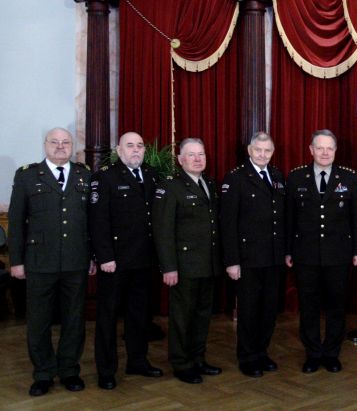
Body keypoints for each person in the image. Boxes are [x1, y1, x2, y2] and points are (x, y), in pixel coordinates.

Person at [7, 127, 95, 396]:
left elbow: (93, 221)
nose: (60, 146)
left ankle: (69, 370)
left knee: (74, 319)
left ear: (72, 146)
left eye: (65, 142)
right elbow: (16, 221)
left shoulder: (84, 174)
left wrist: (93, 256)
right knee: (39, 321)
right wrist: (16, 261)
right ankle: (43, 373)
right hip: (39, 261)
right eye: (54, 142)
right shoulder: (27, 175)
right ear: (45, 145)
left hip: (76, 260)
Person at [285, 129, 357, 373]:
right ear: (311, 150)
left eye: (329, 148)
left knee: (336, 306)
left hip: (338, 254)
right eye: (319, 148)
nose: (324, 152)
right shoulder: (296, 177)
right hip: (306, 254)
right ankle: (312, 353)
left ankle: (331, 353)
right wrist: (288, 250)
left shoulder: (349, 177)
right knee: (308, 306)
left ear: (335, 151)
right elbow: (289, 218)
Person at [89, 132, 163, 390]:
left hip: (144, 259)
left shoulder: (152, 175)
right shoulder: (105, 177)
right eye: (129, 146)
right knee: (108, 317)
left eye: (140, 146)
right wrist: (105, 256)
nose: (136, 150)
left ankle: (138, 361)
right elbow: (98, 220)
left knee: (139, 315)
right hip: (116, 261)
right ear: (119, 151)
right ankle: (106, 370)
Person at [152, 138, 222, 384]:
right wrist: (169, 267)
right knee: (182, 317)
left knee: (202, 315)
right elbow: (162, 230)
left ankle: (198, 358)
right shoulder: (170, 186)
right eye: (191, 155)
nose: (197, 159)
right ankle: (181, 363)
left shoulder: (209, 183)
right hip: (184, 265)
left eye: (201, 154)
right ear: (181, 159)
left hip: (208, 263)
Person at [220, 131, 286, 378]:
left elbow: (281, 217)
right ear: (249, 150)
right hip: (247, 259)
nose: (262, 155)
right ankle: (247, 357)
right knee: (248, 311)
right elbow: (228, 223)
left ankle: (261, 352)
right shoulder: (236, 178)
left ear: (272, 152)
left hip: (273, 257)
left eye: (267, 150)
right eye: (258, 150)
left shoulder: (277, 176)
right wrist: (232, 261)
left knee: (269, 310)